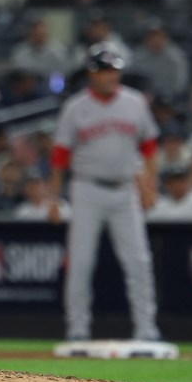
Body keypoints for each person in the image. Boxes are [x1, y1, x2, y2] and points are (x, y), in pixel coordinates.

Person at [48, 42, 162, 342]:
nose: (112, 75)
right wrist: (54, 198)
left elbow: (149, 148)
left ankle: (147, 328)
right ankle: (77, 329)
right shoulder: (75, 107)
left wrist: (150, 186)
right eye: (106, 70)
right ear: (92, 73)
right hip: (86, 189)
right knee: (81, 262)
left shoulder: (135, 102)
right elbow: (60, 157)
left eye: (115, 70)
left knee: (139, 261)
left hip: (126, 191)